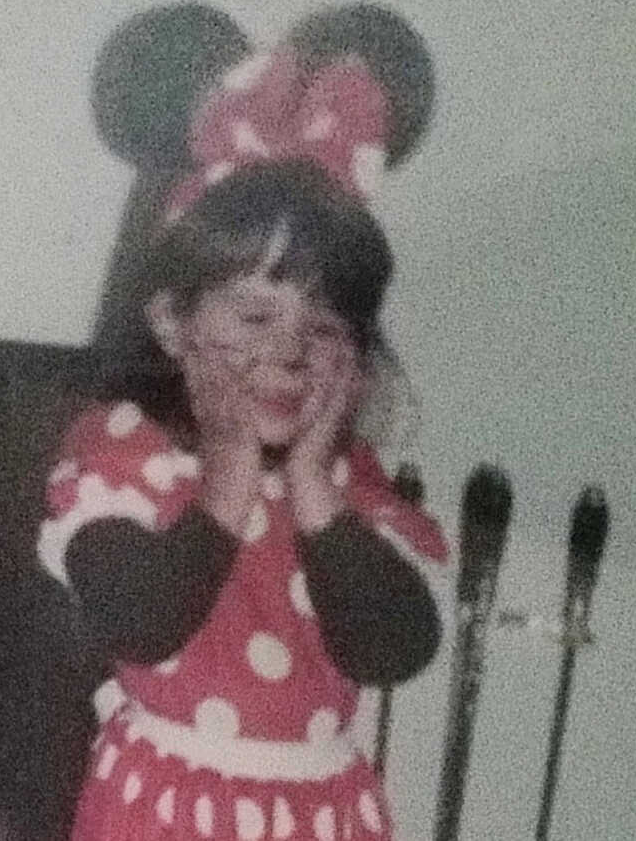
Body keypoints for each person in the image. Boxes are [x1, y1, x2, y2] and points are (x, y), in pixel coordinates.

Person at [36, 68, 450, 838]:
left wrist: (314, 494)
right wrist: (227, 480)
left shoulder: (343, 479)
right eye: (256, 316)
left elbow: (398, 650)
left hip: (322, 810)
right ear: (171, 323)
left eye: (324, 328)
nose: (289, 351)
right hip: (166, 807)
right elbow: (138, 623)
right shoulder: (125, 451)